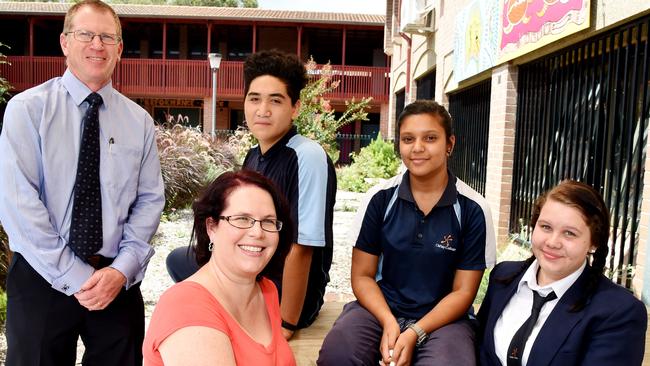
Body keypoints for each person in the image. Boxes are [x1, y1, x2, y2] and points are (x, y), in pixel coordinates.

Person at [0, 1, 165, 365]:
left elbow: (150, 200)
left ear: (120, 49)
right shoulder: (27, 110)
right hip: (41, 276)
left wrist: (121, 270)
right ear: (64, 42)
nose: (97, 45)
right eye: (86, 34)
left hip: (115, 281)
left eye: (108, 37)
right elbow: (18, 204)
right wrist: (75, 277)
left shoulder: (138, 121)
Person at [165, 49, 336, 339]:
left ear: (295, 108)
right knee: (179, 260)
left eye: (276, 100)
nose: (263, 110)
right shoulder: (254, 155)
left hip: (285, 292)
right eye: (254, 98)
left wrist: (287, 324)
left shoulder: (308, 156)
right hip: (251, 270)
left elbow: (302, 247)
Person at [318, 100, 496, 366]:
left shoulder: (472, 208)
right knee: (339, 353)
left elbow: (463, 292)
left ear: (450, 144)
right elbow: (363, 276)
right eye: (408, 139)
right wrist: (388, 322)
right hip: (379, 309)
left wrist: (415, 332)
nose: (418, 148)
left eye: (431, 138)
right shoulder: (379, 199)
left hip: (444, 321)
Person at [477, 180, 647, 366]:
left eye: (569, 233)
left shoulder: (618, 311)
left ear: (593, 242)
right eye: (546, 227)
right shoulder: (503, 276)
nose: (552, 242)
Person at [143, 170, 296, 365]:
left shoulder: (266, 291)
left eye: (268, 221)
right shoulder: (185, 308)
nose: (257, 232)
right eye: (242, 219)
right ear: (211, 227)